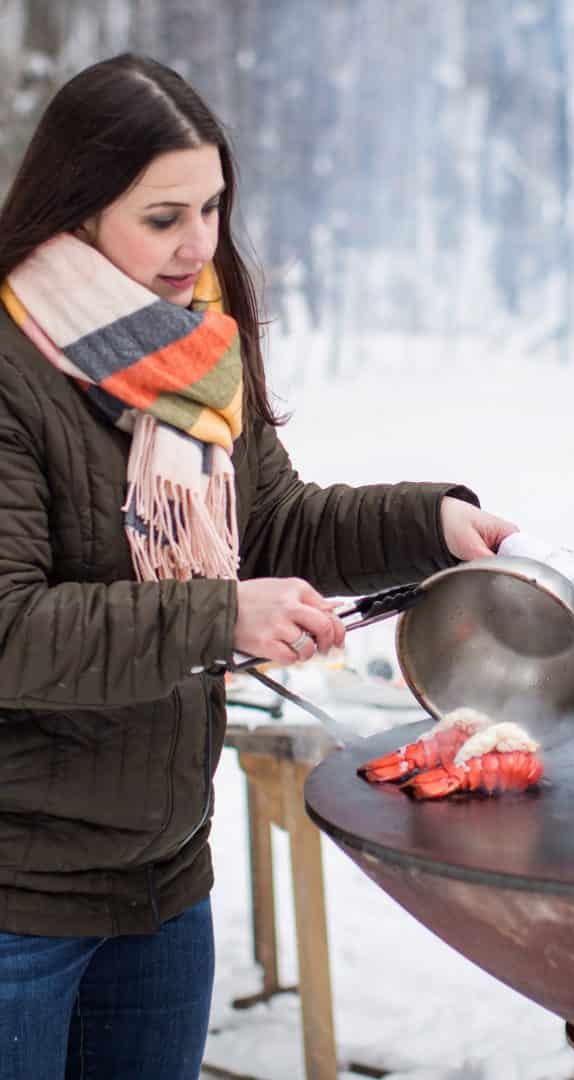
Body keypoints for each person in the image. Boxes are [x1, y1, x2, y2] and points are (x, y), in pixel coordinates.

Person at [0, 53, 516, 1079]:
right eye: (163, 217)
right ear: (78, 211)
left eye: (213, 207)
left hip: (164, 886)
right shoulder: (12, 372)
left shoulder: (186, 351)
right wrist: (216, 617)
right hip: (18, 905)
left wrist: (434, 520)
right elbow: (9, 632)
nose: (200, 244)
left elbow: (269, 522)